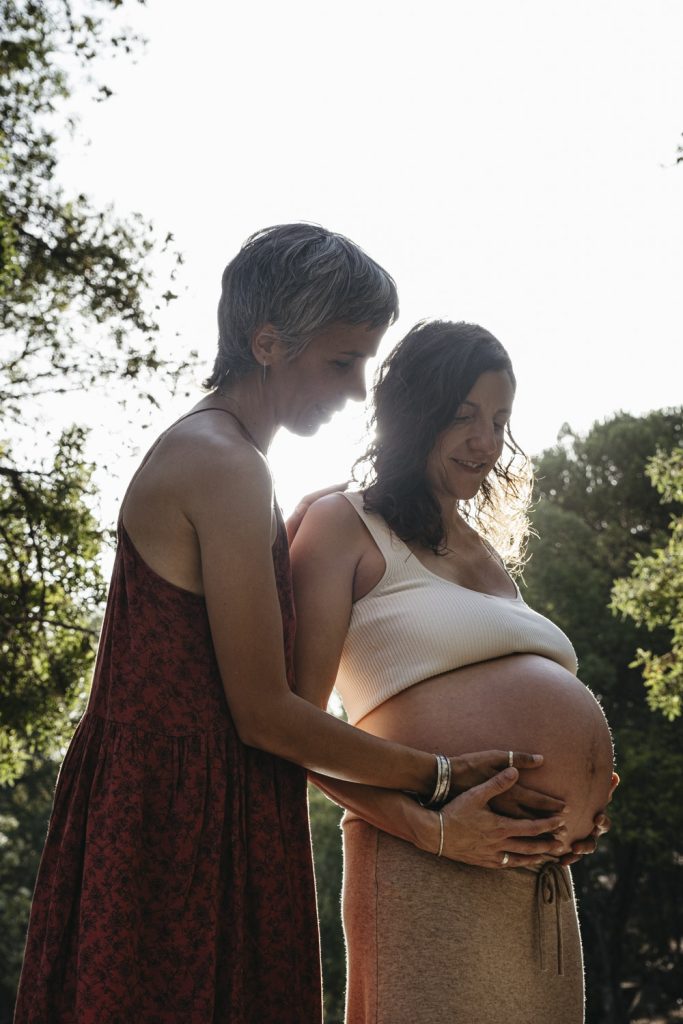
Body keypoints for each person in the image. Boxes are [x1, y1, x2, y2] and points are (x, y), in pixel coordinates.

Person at [13, 230, 568, 1024]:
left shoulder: (236, 460)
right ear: (266, 343)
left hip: (215, 803)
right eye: (341, 362)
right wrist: (439, 776)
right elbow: (265, 711)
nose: (354, 391)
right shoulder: (222, 462)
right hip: (175, 822)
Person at [290, 319, 619, 1024]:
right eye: (462, 415)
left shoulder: (488, 556)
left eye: (499, 419)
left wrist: (576, 808)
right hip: (429, 864)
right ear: (413, 413)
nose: (485, 441)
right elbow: (284, 728)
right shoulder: (340, 525)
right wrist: (425, 827)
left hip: (536, 880)